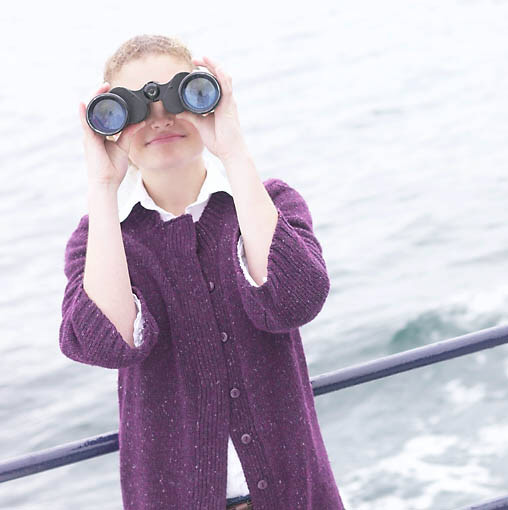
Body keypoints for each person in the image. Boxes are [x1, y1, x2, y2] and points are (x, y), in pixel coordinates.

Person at [59, 34, 345, 510]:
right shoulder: (101, 240)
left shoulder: (268, 204)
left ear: (207, 95)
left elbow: (296, 298)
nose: (160, 117)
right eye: (132, 108)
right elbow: (104, 342)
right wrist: (102, 186)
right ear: (109, 122)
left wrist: (233, 151)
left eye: (178, 94)